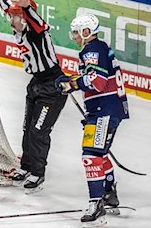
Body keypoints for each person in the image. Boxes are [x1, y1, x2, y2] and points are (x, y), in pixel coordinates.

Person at [0, 0, 68, 193]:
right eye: (11, 15)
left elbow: (38, 22)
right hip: (36, 84)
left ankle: (38, 172)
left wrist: (27, 6)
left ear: (26, 17)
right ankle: (27, 166)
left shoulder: (38, 33)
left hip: (52, 86)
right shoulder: (19, 26)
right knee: (27, 128)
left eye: (15, 16)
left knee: (39, 131)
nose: (10, 18)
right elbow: (2, 0)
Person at [55, 14, 129, 227]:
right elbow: (93, 78)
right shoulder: (98, 48)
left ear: (86, 31)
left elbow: (97, 81)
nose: (74, 37)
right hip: (105, 109)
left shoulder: (92, 49)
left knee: (91, 155)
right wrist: (72, 80)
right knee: (100, 153)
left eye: (76, 32)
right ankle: (108, 193)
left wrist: (72, 84)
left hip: (104, 111)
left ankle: (96, 203)